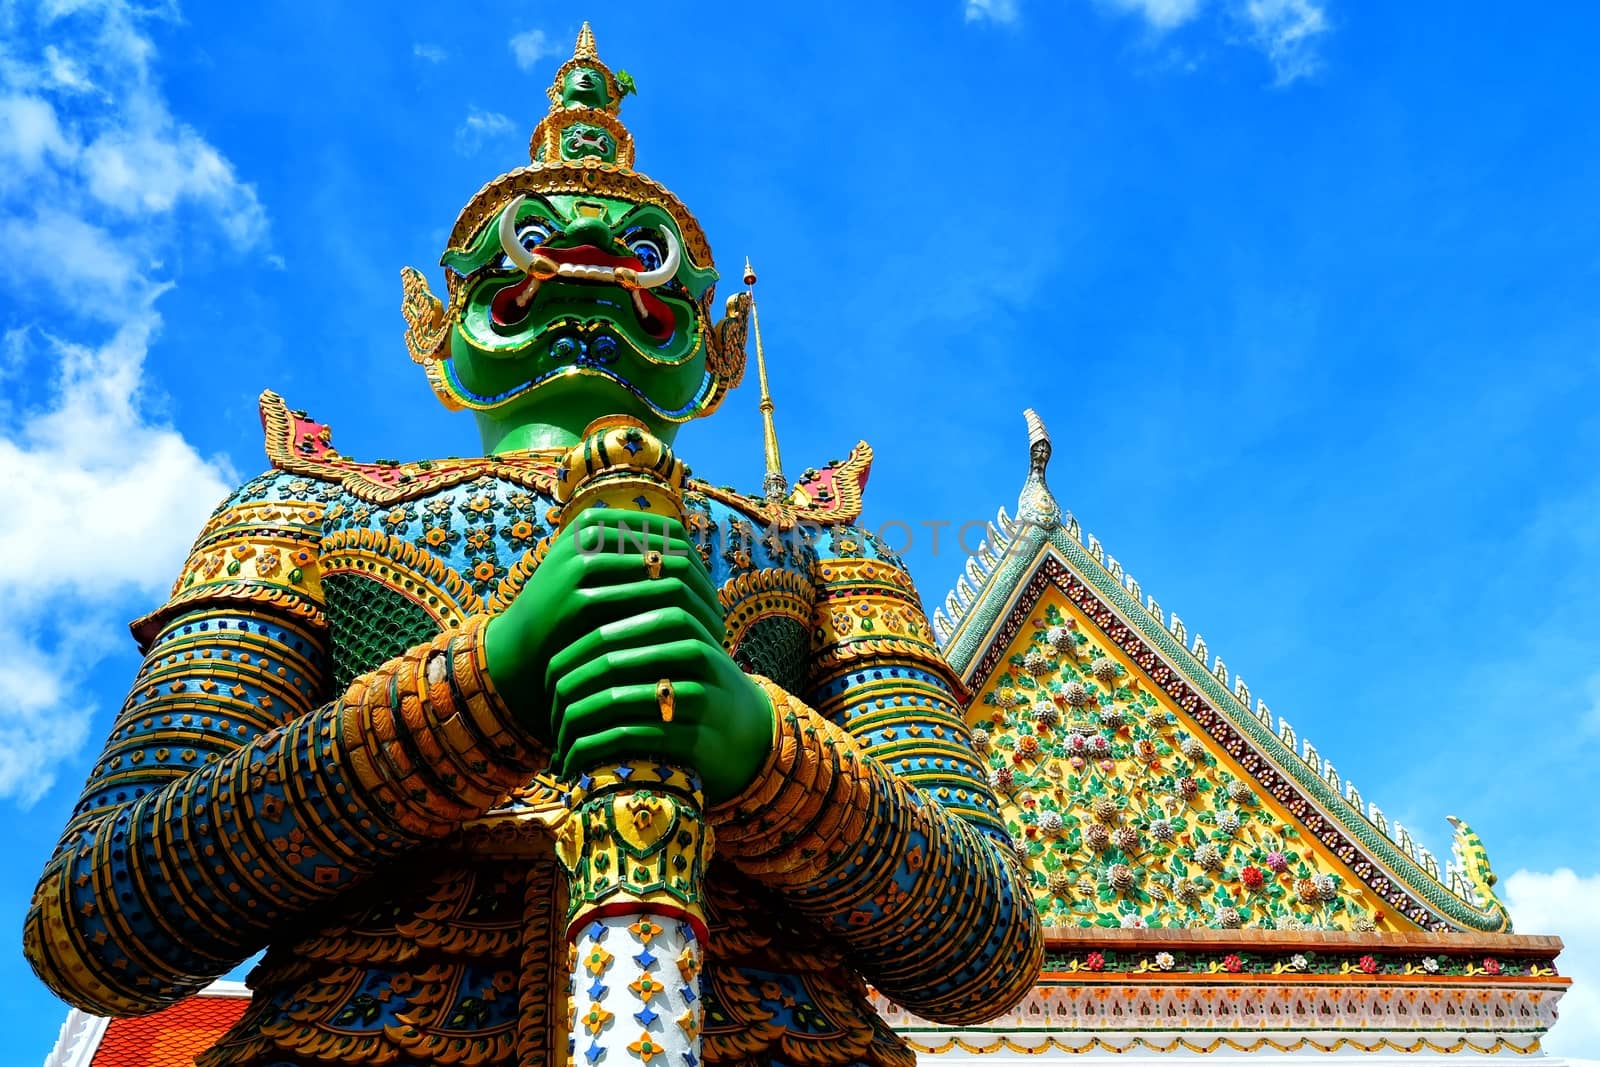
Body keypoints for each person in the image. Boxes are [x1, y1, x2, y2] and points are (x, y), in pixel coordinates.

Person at [24, 25, 1042, 1067]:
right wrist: (487, 684)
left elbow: (988, 944)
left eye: (644, 263)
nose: (587, 277)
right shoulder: (300, 512)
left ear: (719, 350)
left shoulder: (827, 554)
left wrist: (756, 744)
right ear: (435, 322)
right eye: (527, 251)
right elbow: (97, 917)